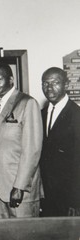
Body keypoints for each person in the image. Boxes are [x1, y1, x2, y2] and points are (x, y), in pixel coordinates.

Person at [0, 62, 43, 218]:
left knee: (25, 238)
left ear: (11, 80)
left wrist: (19, 186)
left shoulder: (27, 103)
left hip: (19, 189)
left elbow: (32, 150)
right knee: (3, 238)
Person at [40, 67, 80, 216]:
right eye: (45, 83)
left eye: (55, 82)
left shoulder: (76, 115)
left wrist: (76, 201)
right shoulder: (41, 114)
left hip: (69, 198)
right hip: (47, 196)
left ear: (66, 85)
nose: (49, 88)